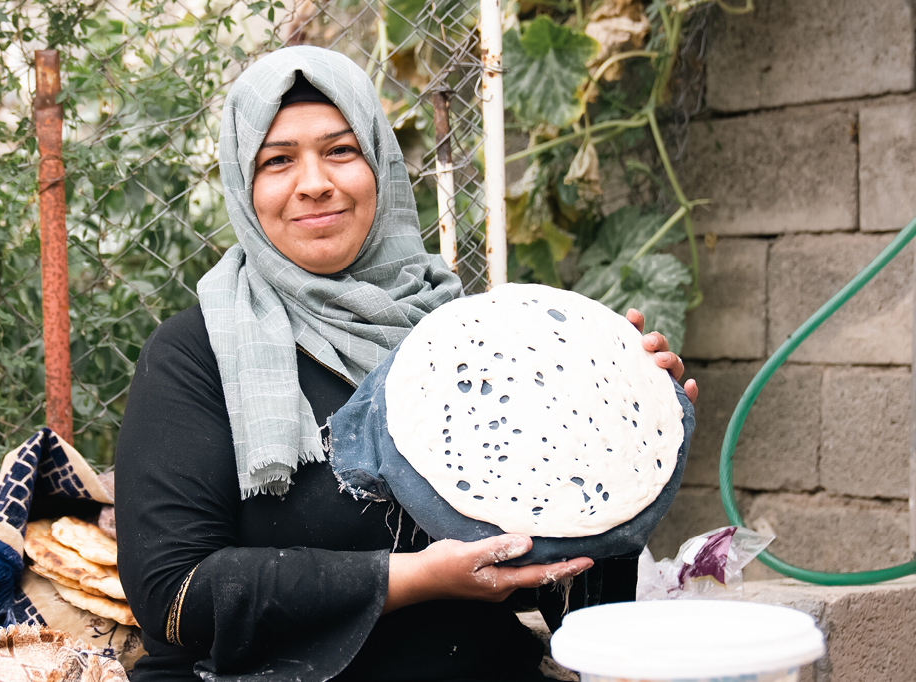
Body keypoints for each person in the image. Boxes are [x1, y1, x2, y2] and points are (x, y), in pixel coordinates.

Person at [114, 46, 698, 682]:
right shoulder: (194, 355)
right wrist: (412, 580)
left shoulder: (469, 340)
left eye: (341, 151)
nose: (315, 181)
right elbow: (173, 594)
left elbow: (573, 599)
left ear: (381, 167)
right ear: (243, 185)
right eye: (278, 160)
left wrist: (623, 439)